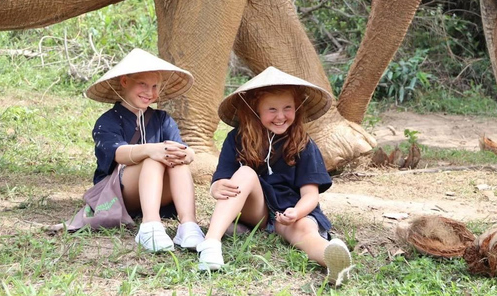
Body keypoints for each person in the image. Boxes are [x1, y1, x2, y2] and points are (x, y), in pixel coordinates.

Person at [196, 67, 353, 286]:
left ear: (297, 108)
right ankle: (210, 243)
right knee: (246, 173)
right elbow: (221, 180)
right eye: (272, 109)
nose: (281, 116)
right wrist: (216, 188)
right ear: (254, 110)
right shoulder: (236, 139)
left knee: (307, 231)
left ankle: (332, 259)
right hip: (256, 210)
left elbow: (310, 195)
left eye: (287, 108)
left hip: (290, 212)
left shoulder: (304, 144)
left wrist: (296, 212)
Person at [85, 48, 206, 252]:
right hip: (122, 193)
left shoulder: (162, 119)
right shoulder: (107, 121)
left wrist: (188, 154)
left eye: (155, 86)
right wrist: (151, 150)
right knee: (153, 159)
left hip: (160, 192)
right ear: (125, 82)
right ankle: (150, 226)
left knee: (175, 159)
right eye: (143, 84)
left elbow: (183, 148)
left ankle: (188, 226)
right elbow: (118, 153)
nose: (149, 93)